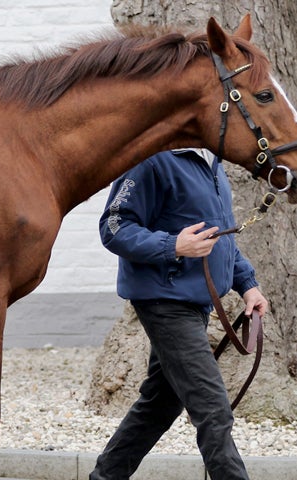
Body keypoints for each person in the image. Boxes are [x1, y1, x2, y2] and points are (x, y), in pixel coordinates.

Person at [91, 148, 269, 480]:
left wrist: (247, 284)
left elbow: (220, 237)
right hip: (164, 301)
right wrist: (172, 245)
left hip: (194, 303)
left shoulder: (211, 162)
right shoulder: (150, 159)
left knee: (161, 404)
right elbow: (113, 226)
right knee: (213, 407)